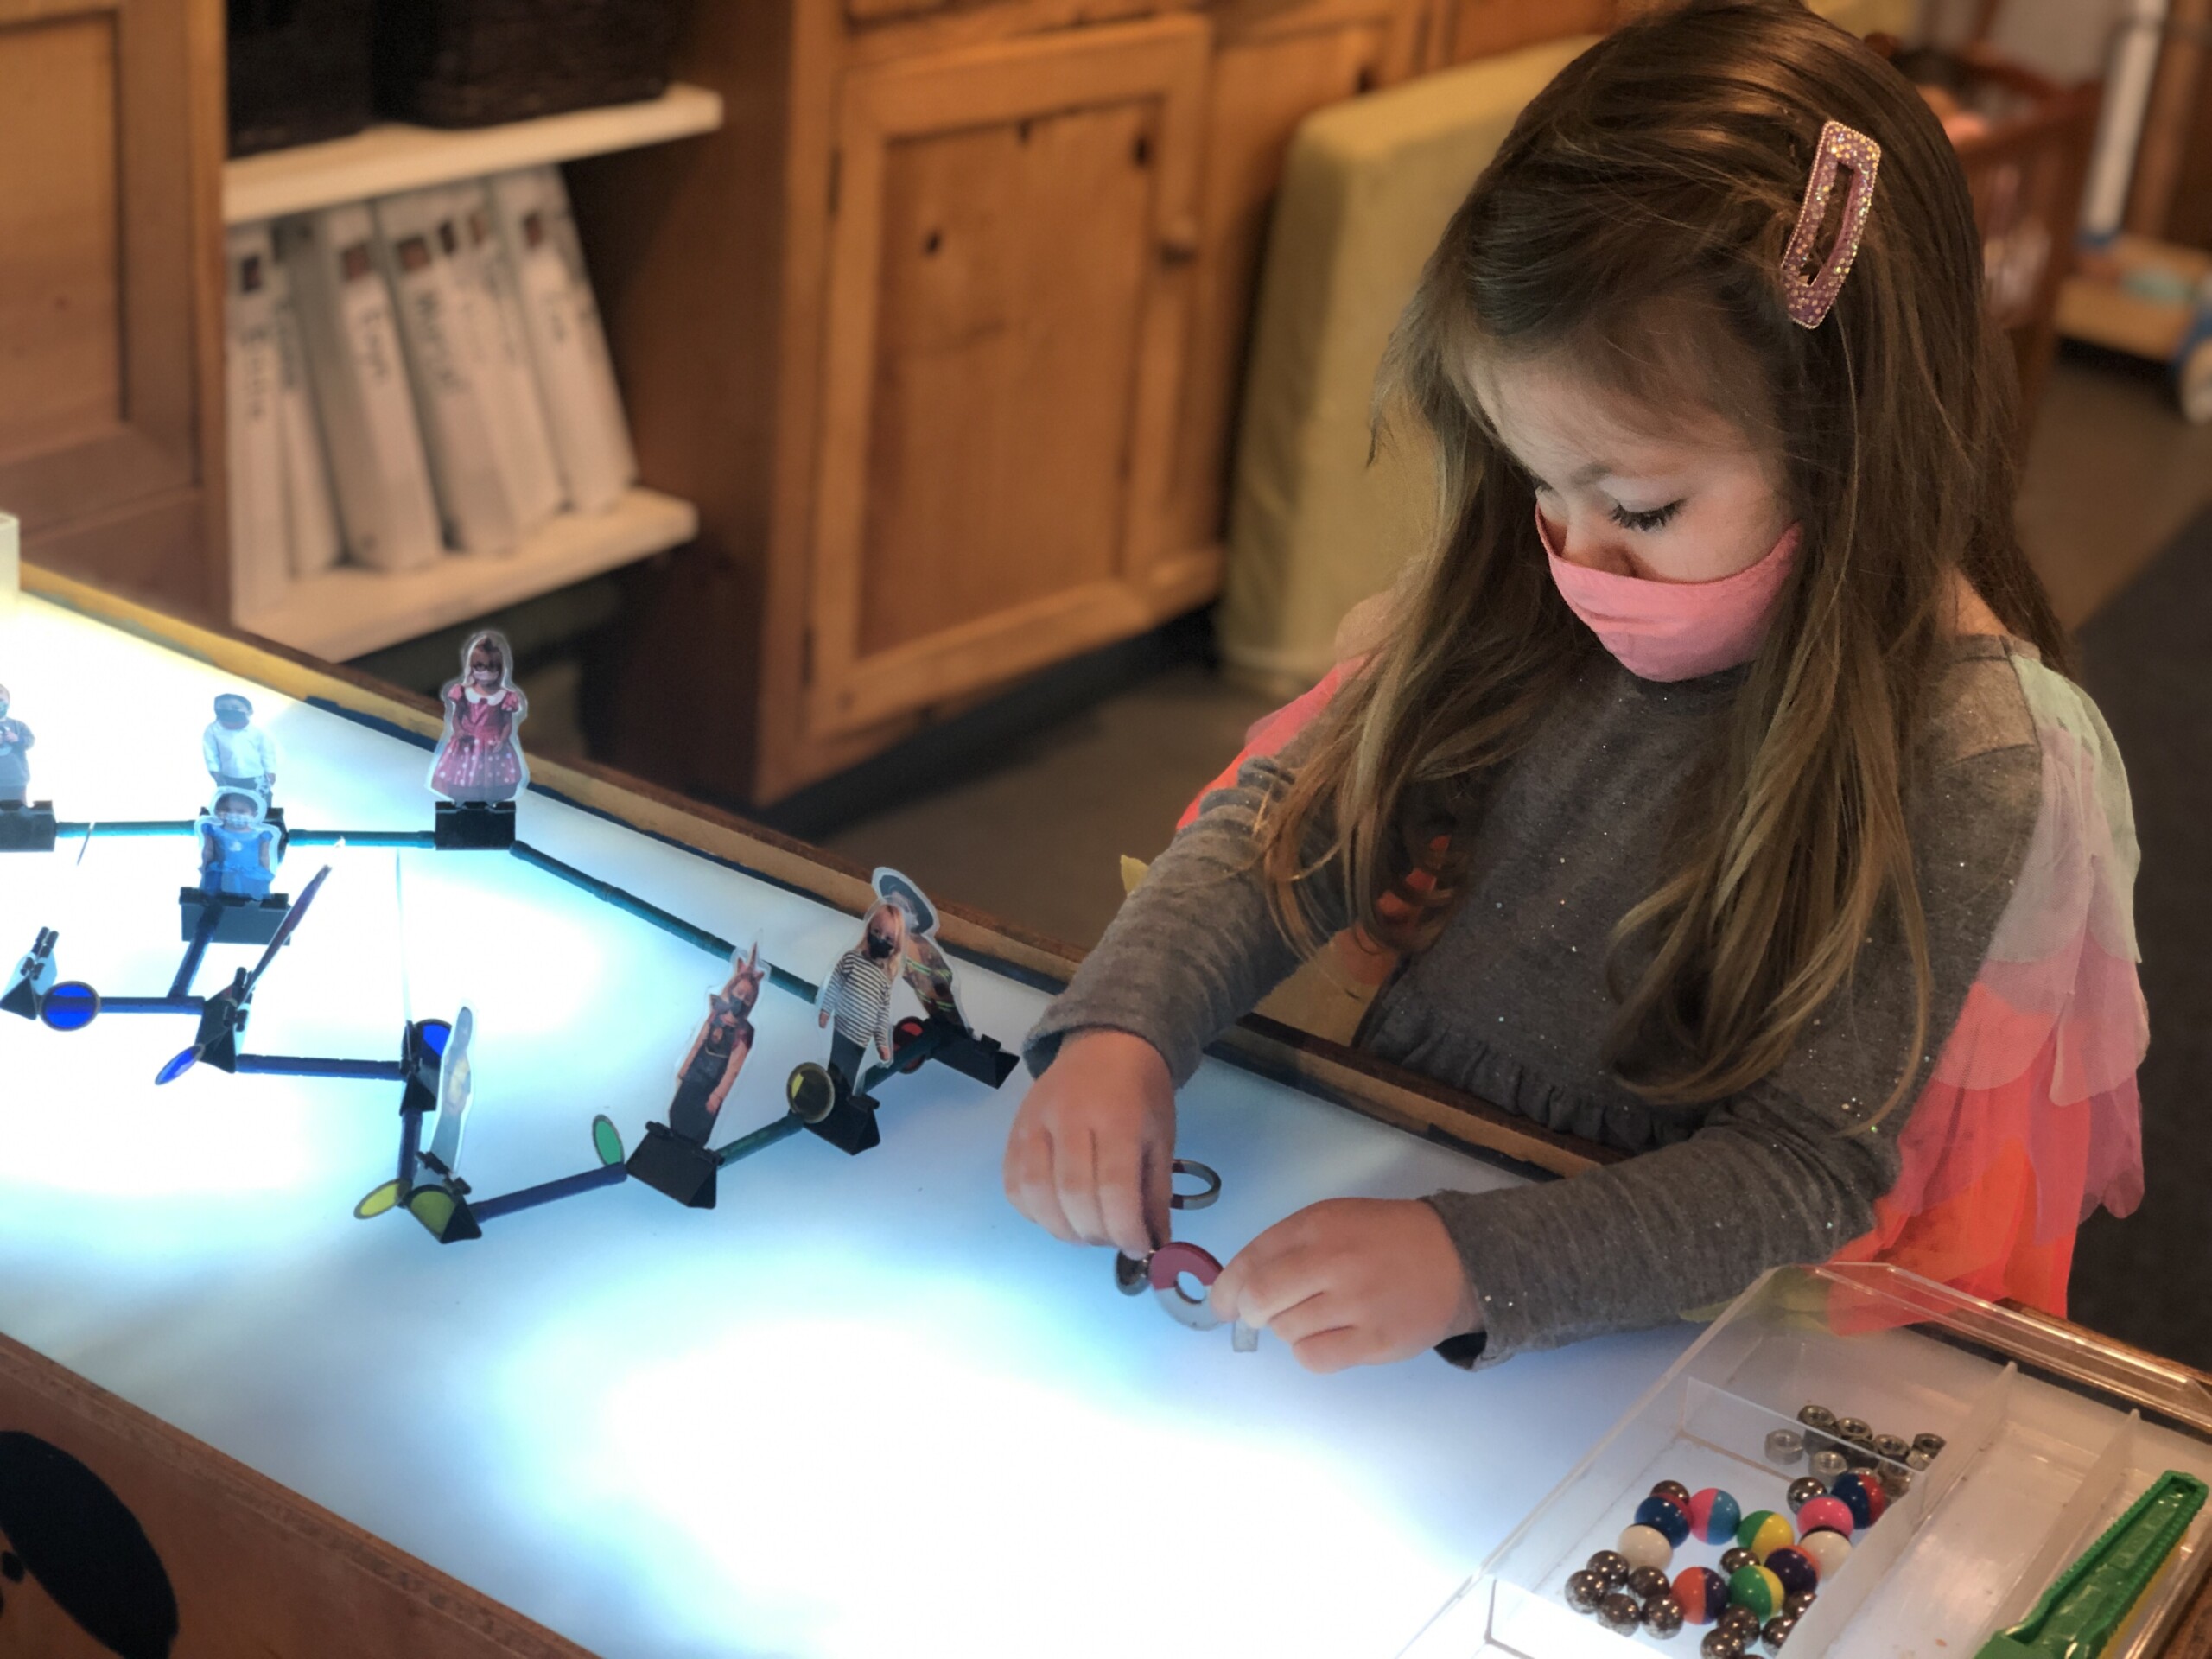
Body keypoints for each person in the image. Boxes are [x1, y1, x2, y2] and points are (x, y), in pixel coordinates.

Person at [1004, 0, 2145, 1374]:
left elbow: (1797, 1171)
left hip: (1638, 1321)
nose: (1572, 554)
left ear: (1851, 441)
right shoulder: (1526, 576)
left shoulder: (1965, 752)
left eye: (1643, 507)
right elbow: (1293, 825)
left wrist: (1473, 1264)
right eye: (1537, 481)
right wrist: (1124, 1023)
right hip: (1414, 1181)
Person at [669, 944, 765, 1144]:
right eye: (739, 992)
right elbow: (698, 1043)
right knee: (677, 1115)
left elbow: (733, 1069)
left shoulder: (743, 1033)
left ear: (752, 1001)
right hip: (693, 1079)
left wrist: (718, 1096)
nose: (741, 999)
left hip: (710, 1089)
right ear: (731, 989)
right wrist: (684, 1070)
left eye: (747, 997)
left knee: (697, 1130)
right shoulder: (715, 1015)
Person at [428, 630, 530, 804]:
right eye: (480, 666)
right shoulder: (463, 692)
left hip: (493, 744)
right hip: (467, 743)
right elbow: (456, 716)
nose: (486, 672)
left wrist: (503, 740)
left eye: (492, 667)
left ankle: (488, 805)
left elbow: (507, 723)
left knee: (490, 779)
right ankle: (462, 802)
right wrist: (458, 730)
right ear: (472, 666)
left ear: (500, 669)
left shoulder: (505, 696)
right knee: (465, 775)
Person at [817, 901, 905, 1095]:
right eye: (877, 931)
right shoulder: (852, 959)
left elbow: (882, 1014)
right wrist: (825, 1010)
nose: (880, 939)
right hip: (842, 1027)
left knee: (849, 1076)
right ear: (868, 929)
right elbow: (835, 983)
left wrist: (882, 1043)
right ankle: (825, 1097)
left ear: (895, 946)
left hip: (862, 1039)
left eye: (888, 938)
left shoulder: (885, 980)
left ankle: (839, 1100)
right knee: (834, 1068)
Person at [196, 789, 279, 900]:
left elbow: (264, 856)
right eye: (227, 810)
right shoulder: (214, 831)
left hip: (251, 874)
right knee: (216, 898)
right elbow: (208, 850)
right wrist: (205, 865)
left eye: (241, 811)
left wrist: (266, 871)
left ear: (254, 814)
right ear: (217, 811)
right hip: (221, 872)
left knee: (253, 899)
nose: (233, 814)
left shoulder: (261, 835)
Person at [201, 693, 278, 804]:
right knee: (231, 805)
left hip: (256, 776)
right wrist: (215, 770)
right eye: (222, 707)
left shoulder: (257, 731)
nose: (229, 710)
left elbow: (267, 752)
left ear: (250, 712)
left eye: (236, 708)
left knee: (259, 803)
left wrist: (270, 771)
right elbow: (210, 751)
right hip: (228, 776)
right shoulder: (213, 729)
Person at [0, 685, 32, 806]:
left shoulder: (18, 726)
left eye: (1, 700)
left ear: (8, 702)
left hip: (16, 779)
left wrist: (18, 739)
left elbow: (30, 740)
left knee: (19, 810)